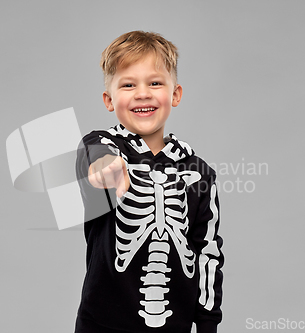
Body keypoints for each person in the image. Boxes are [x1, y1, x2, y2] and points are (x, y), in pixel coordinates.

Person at [74, 30, 224, 333]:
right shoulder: (104, 148)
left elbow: (208, 254)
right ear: (109, 99)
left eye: (155, 83)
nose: (142, 93)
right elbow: (93, 153)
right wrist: (105, 166)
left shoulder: (198, 173)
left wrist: (207, 325)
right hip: (101, 326)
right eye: (128, 85)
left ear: (175, 94)